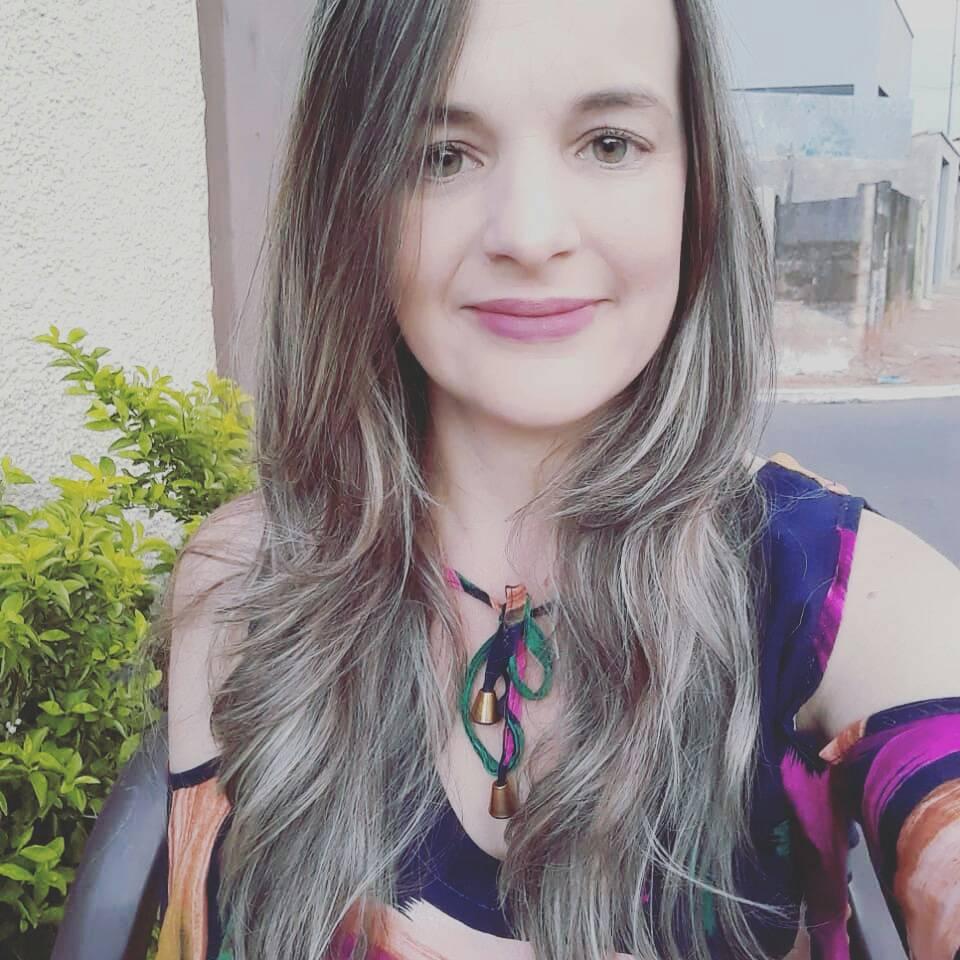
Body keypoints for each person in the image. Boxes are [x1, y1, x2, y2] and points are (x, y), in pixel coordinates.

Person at [144, 0, 960, 958]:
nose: (529, 234)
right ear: (347, 202)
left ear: (696, 182)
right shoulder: (245, 584)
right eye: (441, 155)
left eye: (610, 143)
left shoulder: (845, 596)